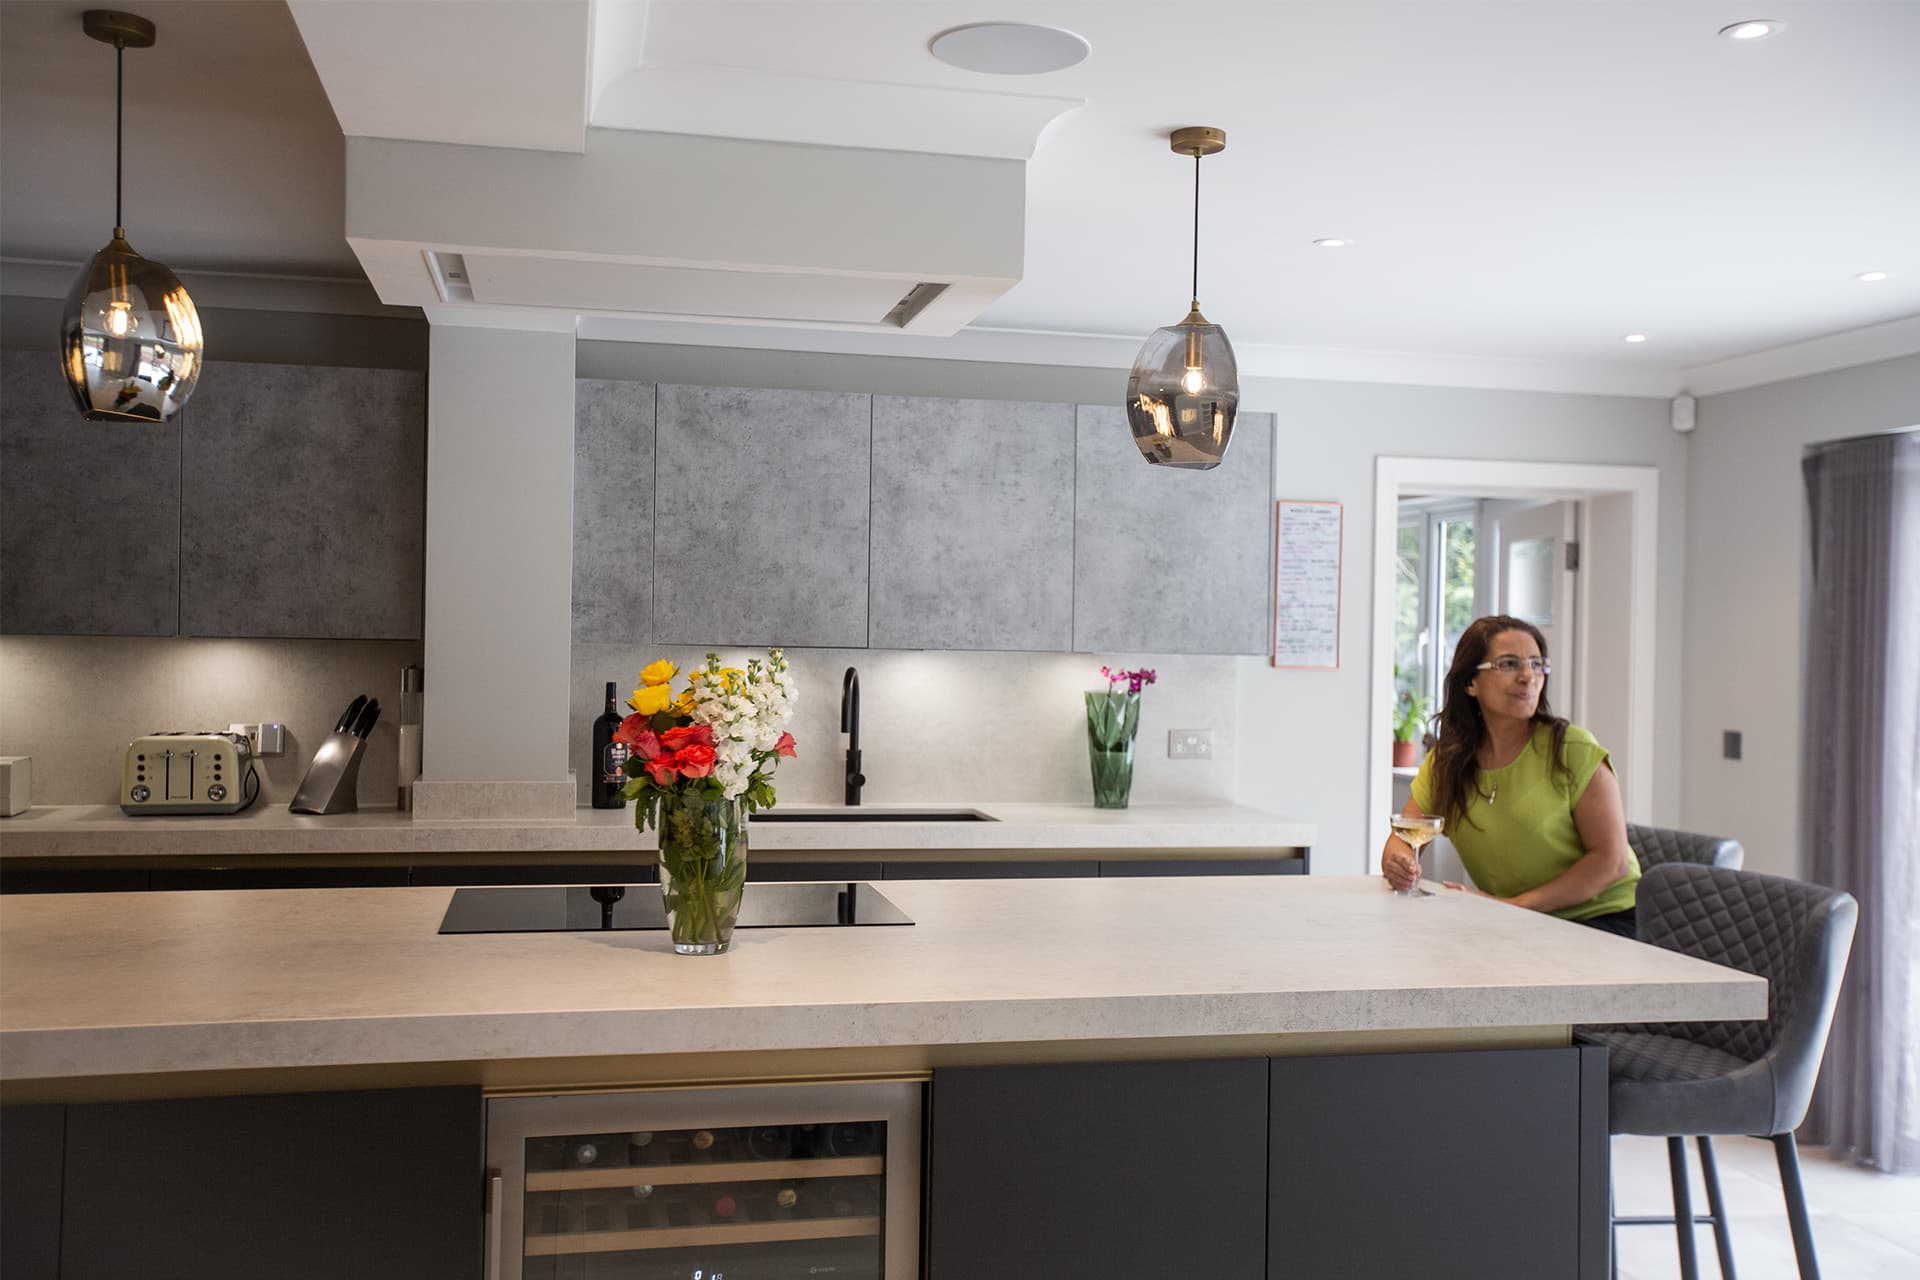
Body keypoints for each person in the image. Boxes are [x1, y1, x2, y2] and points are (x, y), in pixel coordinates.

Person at [1380, 614, 1641, 937]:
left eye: (1536, 664)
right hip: (1516, 922)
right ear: (1470, 683)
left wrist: (1513, 906)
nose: (1527, 676)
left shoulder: (1572, 748)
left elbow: (1611, 862)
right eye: (1509, 664)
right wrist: (1398, 865)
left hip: (1603, 922)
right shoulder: (1447, 763)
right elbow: (1402, 840)